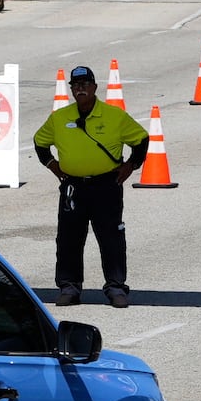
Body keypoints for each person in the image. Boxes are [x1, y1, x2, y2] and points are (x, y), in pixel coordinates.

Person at [31, 65, 151, 307]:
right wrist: (54, 166)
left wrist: (131, 166)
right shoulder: (60, 118)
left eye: (85, 85)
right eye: (76, 86)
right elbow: (40, 142)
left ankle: (116, 287)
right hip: (73, 186)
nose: (80, 89)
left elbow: (141, 139)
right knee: (68, 238)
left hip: (106, 185)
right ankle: (69, 287)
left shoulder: (114, 116)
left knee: (111, 237)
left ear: (95, 87)